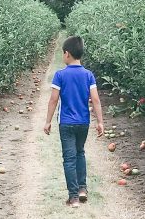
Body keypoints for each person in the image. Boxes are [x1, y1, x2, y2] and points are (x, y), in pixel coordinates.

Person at [43, 36, 104, 207]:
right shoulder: (88, 75)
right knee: (80, 153)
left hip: (66, 122)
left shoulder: (60, 75)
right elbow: (96, 100)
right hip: (83, 122)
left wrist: (47, 121)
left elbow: (53, 100)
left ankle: (73, 197)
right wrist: (100, 122)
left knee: (69, 158)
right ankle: (82, 189)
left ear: (67, 54)